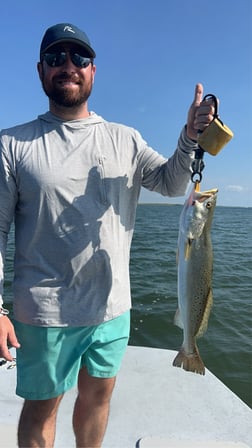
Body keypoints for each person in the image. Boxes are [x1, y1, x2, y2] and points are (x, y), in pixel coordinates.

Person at [0, 23, 215, 448]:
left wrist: (191, 137)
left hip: (112, 307)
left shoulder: (126, 138)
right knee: (43, 408)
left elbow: (172, 183)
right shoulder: (12, 144)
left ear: (93, 71)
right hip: (43, 314)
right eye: (55, 58)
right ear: (40, 70)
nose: (68, 66)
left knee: (98, 400)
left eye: (78, 58)